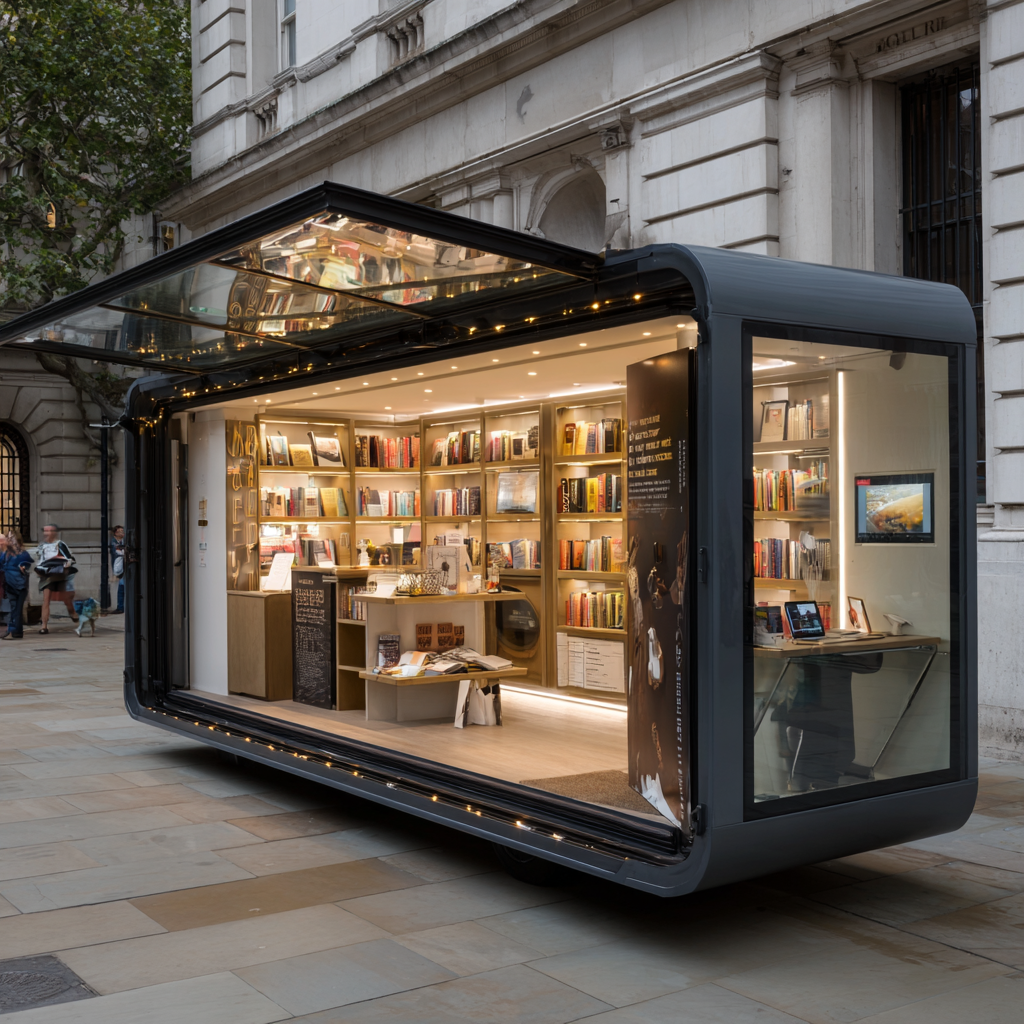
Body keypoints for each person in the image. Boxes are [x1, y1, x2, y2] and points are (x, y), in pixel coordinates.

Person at [34, 524, 78, 634]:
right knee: (46, 599)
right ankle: (44, 626)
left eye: (49, 531)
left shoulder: (60, 544)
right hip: (47, 575)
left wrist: (67, 564)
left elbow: (70, 558)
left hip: (60, 574)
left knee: (67, 599)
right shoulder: (42, 546)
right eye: (45, 531)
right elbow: (39, 559)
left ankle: (72, 613)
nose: (46, 533)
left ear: (54, 532)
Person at [1, 531, 33, 639]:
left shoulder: (23, 553)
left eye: (10, 538)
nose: (8, 540)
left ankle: (13, 631)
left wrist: (24, 567)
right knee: (14, 608)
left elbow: (28, 565)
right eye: (7, 538)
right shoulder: (5, 554)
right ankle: (17, 632)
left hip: (20, 585)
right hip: (9, 584)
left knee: (16, 609)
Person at [109, 525, 125, 614]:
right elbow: (119, 553)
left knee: (122, 587)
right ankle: (120, 607)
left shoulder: (123, 540)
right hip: (120, 567)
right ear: (115, 533)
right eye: (120, 531)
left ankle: (121, 607)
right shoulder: (114, 543)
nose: (122, 533)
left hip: (124, 567)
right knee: (122, 587)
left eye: (122, 531)